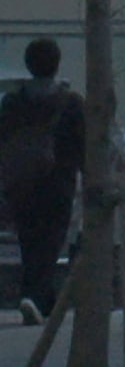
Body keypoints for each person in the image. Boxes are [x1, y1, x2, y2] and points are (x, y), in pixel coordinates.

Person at [0, 39, 86, 326]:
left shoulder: (12, 103)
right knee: (51, 243)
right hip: (58, 184)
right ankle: (36, 297)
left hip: (21, 185)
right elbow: (84, 145)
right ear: (57, 64)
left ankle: (39, 298)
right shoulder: (71, 103)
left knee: (29, 240)